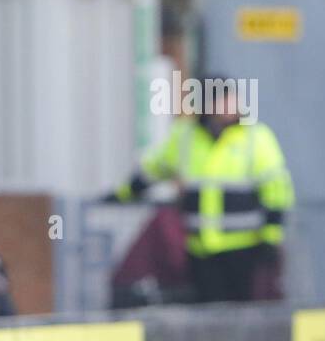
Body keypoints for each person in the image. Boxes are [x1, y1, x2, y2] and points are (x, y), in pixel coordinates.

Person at [111, 78, 294, 303]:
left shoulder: (255, 137)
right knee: (208, 312)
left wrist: (271, 236)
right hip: (200, 250)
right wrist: (123, 193)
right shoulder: (186, 136)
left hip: (245, 248)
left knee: (245, 312)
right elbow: (155, 168)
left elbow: (276, 188)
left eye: (231, 98)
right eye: (222, 99)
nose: (230, 105)